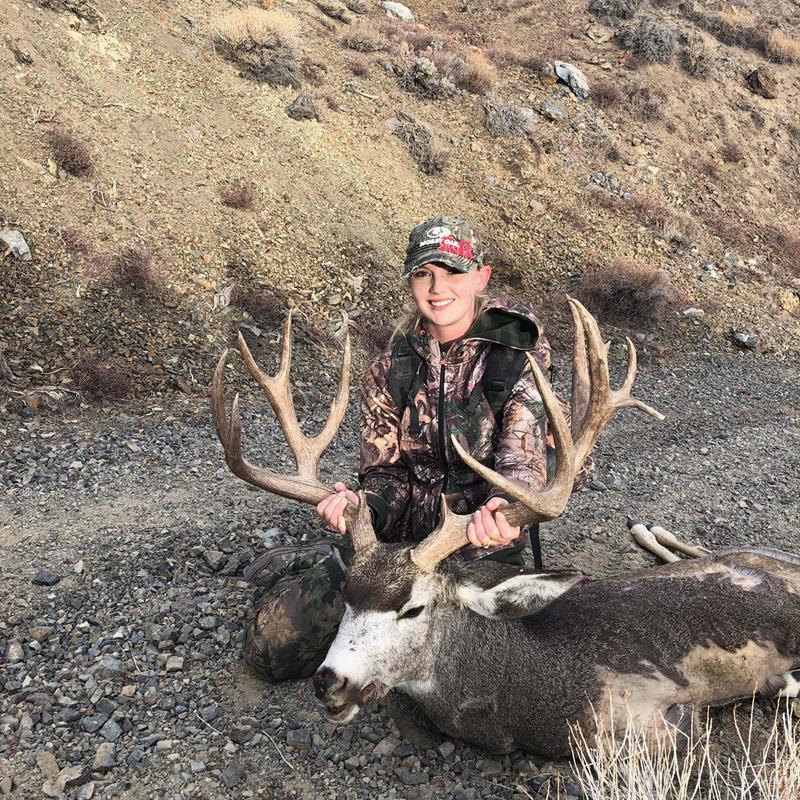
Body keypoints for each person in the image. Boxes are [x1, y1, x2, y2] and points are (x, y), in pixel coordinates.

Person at [316, 216, 572, 565]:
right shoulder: (388, 369)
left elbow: (522, 457)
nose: (437, 287)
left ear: (481, 277)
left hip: (481, 549)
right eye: (424, 273)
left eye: (453, 271)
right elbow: (385, 472)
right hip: (404, 551)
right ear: (410, 281)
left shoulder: (516, 357)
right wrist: (364, 508)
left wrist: (506, 507)